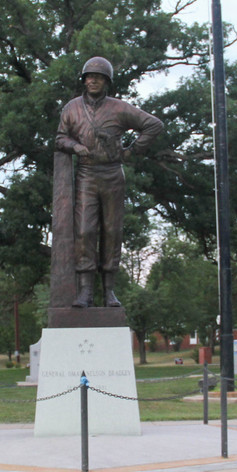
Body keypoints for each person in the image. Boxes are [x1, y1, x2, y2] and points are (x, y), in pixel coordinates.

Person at [55, 57, 163, 309]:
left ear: (106, 82)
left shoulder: (119, 108)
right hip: (86, 174)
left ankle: (110, 291)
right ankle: (85, 293)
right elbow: (60, 138)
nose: (93, 80)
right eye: (89, 76)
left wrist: (132, 150)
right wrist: (75, 146)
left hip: (113, 175)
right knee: (84, 231)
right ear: (84, 80)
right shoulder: (71, 108)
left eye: (99, 77)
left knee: (112, 232)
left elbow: (153, 125)